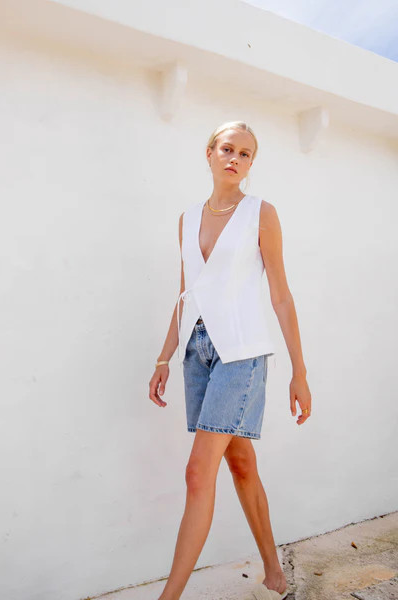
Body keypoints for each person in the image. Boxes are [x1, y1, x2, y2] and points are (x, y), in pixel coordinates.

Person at [149, 121, 312, 600]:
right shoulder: (187, 218)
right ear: (210, 153)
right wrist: (164, 358)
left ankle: (168, 597)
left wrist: (299, 372)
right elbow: (187, 293)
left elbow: (280, 295)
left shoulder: (261, 213)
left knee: (198, 472)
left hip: (241, 354)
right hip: (197, 353)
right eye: (227, 148)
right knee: (240, 463)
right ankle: (273, 569)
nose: (235, 159)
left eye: (245, 153)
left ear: (250, 163)